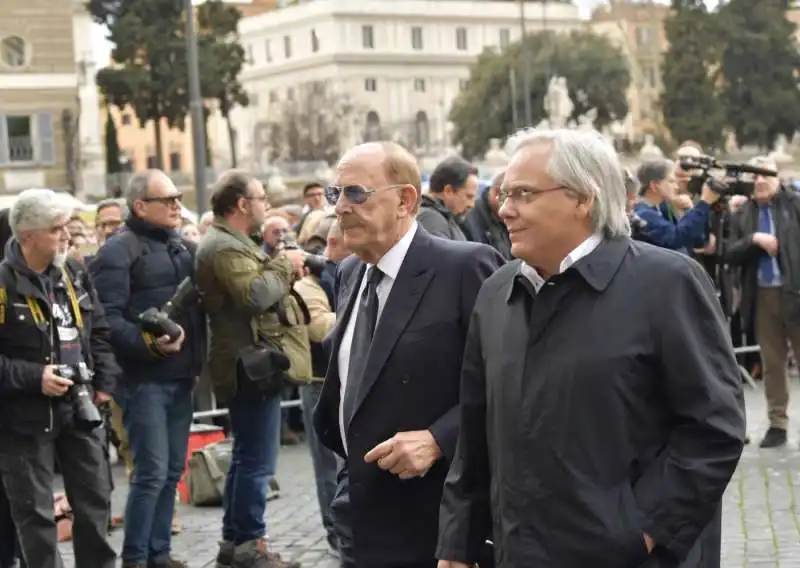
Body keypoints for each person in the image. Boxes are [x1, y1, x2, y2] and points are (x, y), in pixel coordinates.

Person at [436, 129, 746, 568]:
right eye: (505, 193)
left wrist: (641, 532)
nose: (505, 209)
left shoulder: (667, 283)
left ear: (583, 198)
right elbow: (475, 435)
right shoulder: (496, 293)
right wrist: (458, 542)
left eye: (523, 193)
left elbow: (713, 427)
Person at [313, 141, 504, 568]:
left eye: (356, 193)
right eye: (335, 194)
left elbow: (508, 381)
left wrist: (440, 439)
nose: (341, 207)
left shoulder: (464, 266)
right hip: (359, 521)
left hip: (437, 522)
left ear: (405, 199)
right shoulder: (349, 272)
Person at [90, 170, 205, 568]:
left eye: (178, 197)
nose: (177, 204)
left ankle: (159, 555)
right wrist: (149, 344)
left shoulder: (180, 247)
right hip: (142, 381)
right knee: (151, 472)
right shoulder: (117, 251)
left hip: (180, 376)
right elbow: (105, 319)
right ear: (141, 206)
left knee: (172, 470)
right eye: (168, 198)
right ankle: (136, 558)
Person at [0, 189, 119, 568]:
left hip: (80, 406)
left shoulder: (74, 271)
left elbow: (98, 329)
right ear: (27, 236)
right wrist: (35, 376)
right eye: (56, 228)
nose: (67, 234)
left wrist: (104, 382)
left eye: (67, 225)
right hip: (23, 418)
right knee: (34, 516)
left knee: (95, 501)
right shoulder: (2, 284)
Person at [195, 170, 306, 568]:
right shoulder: (223, 246)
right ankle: (251, 546)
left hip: (250, 363)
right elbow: (256, 296)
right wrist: (284, 265)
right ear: (242, 204)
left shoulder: (232, 242)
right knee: (258, 461)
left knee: (247, 457)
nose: (266, 206)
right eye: (261, 198)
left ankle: (235, 542)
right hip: (248, 367)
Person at [723, 156, 800, 449]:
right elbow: (729, 253)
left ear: (778, 178)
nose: (760, 181)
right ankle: (777, 423)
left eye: (765, 175)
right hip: (762, 294)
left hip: (795, 290)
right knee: (772, 363)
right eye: (754, 177)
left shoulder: (795, 205)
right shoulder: (743, 213)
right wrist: (753, 240)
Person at [417, 156, 479, 241]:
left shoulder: (445, 217)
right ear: (448, 191)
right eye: (469, 196)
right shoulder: (432, 220)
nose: (472, 205)